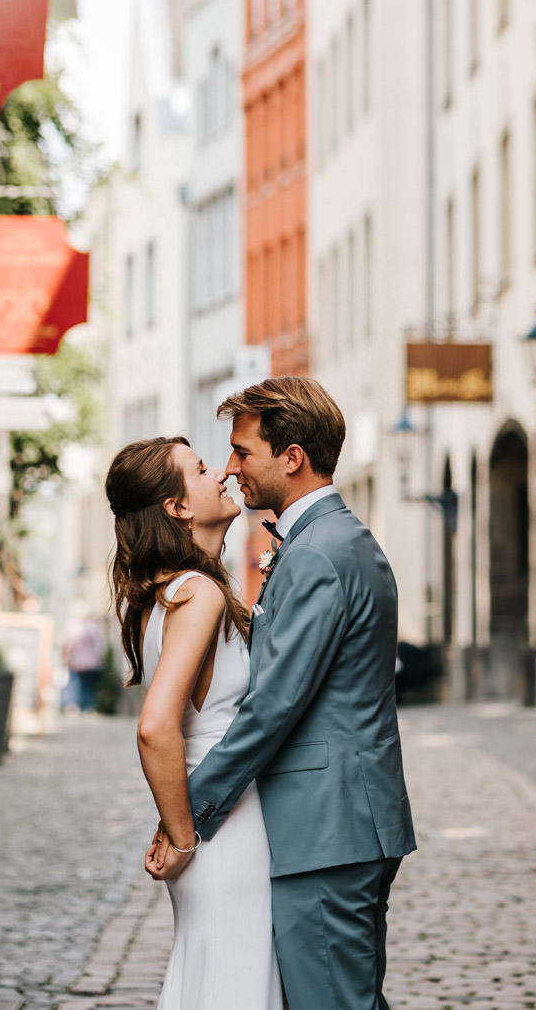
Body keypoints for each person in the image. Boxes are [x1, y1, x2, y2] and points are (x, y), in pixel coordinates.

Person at [148, 376, 417, 1010]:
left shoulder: (319, 553)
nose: (232, 467)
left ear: (290, 456)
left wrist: (189, 814)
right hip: (338, 822)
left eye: (244, 452)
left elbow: (274, 706)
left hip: (326, 826)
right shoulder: (326, 541)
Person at [106, 435, 282, 1010]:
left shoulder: (167, 596)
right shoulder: (199, 593)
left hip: (212, 816)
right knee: (237, 982)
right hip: (224, 825)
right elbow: (156, 726)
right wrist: (183, 834)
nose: (222, 475)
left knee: (215, 978)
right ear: (177, 508)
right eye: (202, 470)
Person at [62, 606, 107, 712]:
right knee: (89, 686)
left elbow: (69, 645)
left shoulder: (73, 626)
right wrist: (100, 659)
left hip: (75, 662)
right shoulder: (94, 627)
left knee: (75, 684)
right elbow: (99, 646)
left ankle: (75, 705)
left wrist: (66, 657)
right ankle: (89, 706)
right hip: (91, 663)